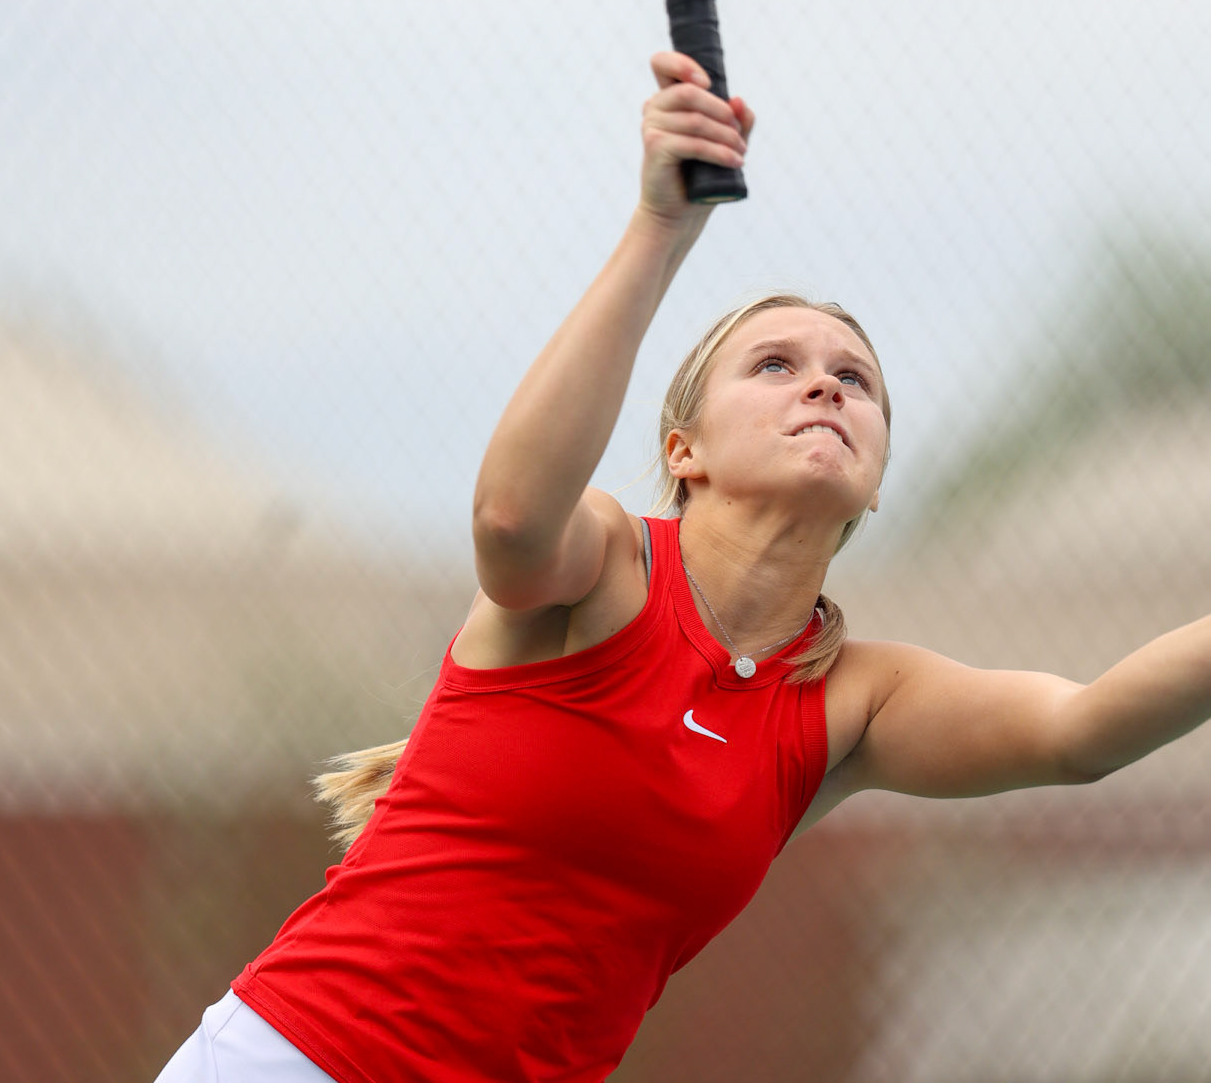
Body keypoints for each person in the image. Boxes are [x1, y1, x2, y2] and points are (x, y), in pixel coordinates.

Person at [155, 53, 1211, 1083]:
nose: (825, 386)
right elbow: (512, 515)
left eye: (856, 377)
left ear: (878, 479)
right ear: (683, 449)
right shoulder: (609, 564)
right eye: (776, 364)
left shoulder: (852, 699)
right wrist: (663, 225)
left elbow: (1083, 731)